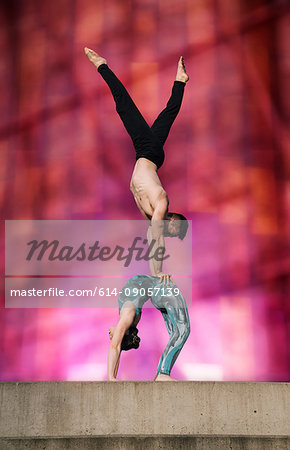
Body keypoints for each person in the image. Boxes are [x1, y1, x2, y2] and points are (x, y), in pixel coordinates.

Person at [85, 48, 189, 284]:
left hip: (148, 154)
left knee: (167, 116)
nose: (166, 231)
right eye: (171, 229)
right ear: (172, 219)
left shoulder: (151, 217)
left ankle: (180, 82)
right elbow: (158, 241)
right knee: (125, 107)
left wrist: (156, 273)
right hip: (148, 152)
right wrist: (158, 272)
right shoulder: (161, 202)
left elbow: (154, 239)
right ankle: (102, 65)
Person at [108, 274, 190, 381]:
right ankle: (162, 373)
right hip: (163, 289)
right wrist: (111, 377)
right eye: (113, 337)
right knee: (183, 330)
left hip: (159, 289)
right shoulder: (128, 315)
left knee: (175, 333)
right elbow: (115, 346)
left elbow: (117, 347)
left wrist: (113, 376)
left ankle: (162, 373)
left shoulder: (126, 316)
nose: (110, 337)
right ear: (124, 333)